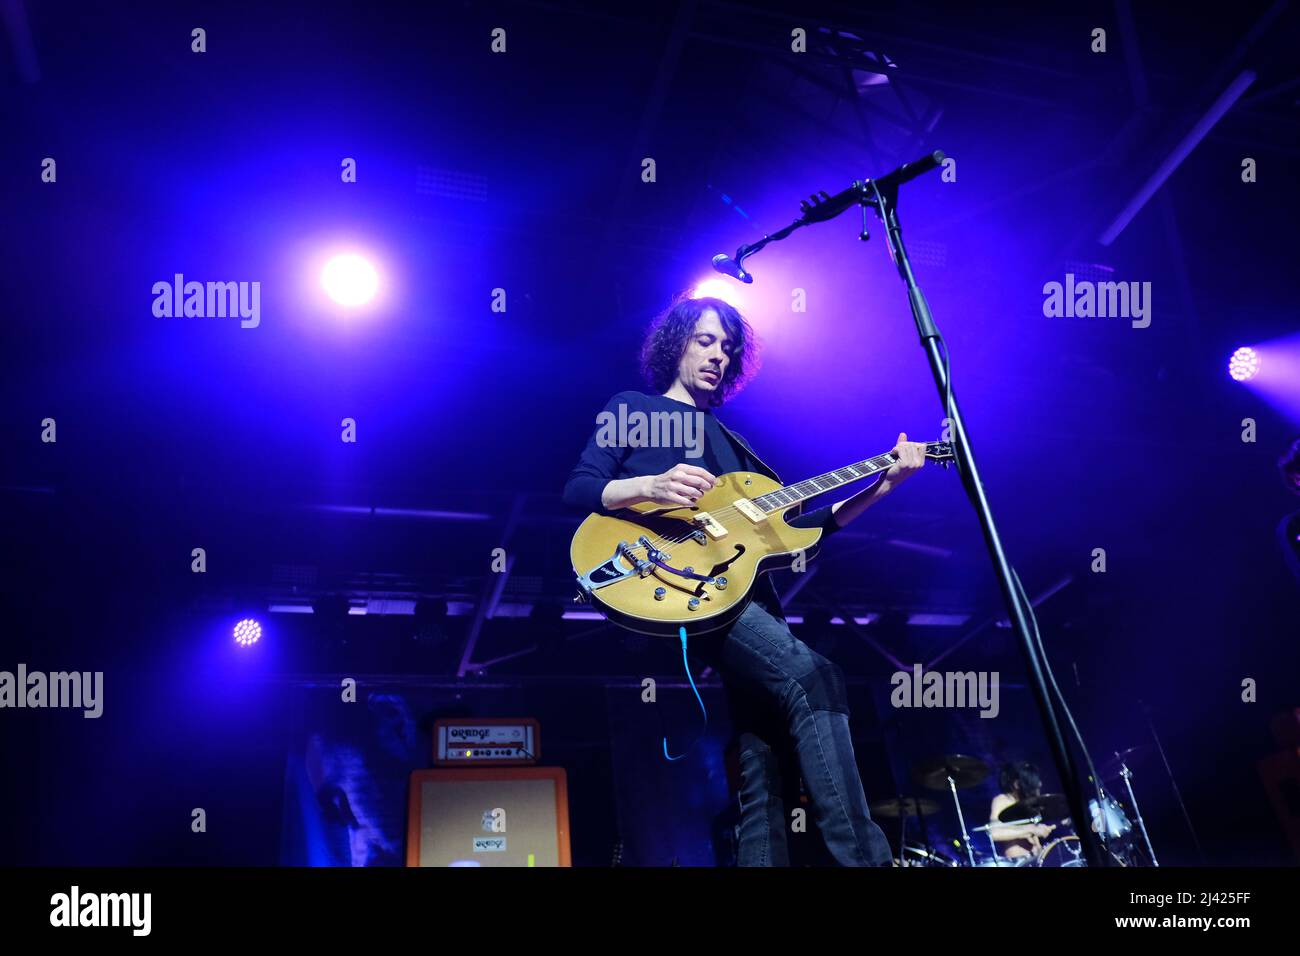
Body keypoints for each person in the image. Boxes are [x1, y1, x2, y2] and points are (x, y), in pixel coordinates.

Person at [563, 295, 928, 866]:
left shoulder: (737, 451)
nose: (717, 356)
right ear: (675, 342)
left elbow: (807, 529)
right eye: (704, 341)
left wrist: (885, 485)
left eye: (728, 349)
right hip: (683, 583)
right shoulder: (633, 407)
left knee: (766, 758)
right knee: (816, 679)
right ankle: (867, 861)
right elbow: (581, 487)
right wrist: (649, 486)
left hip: (748, 594)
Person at [987, 762, 1055, 864]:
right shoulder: (1002, 800)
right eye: (1032, 784)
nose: (1039, 785)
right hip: (1018, 862)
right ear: (1017, 784)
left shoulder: (1026, 803)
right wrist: (1031, 830)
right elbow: (994, 833)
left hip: (1036, 860)